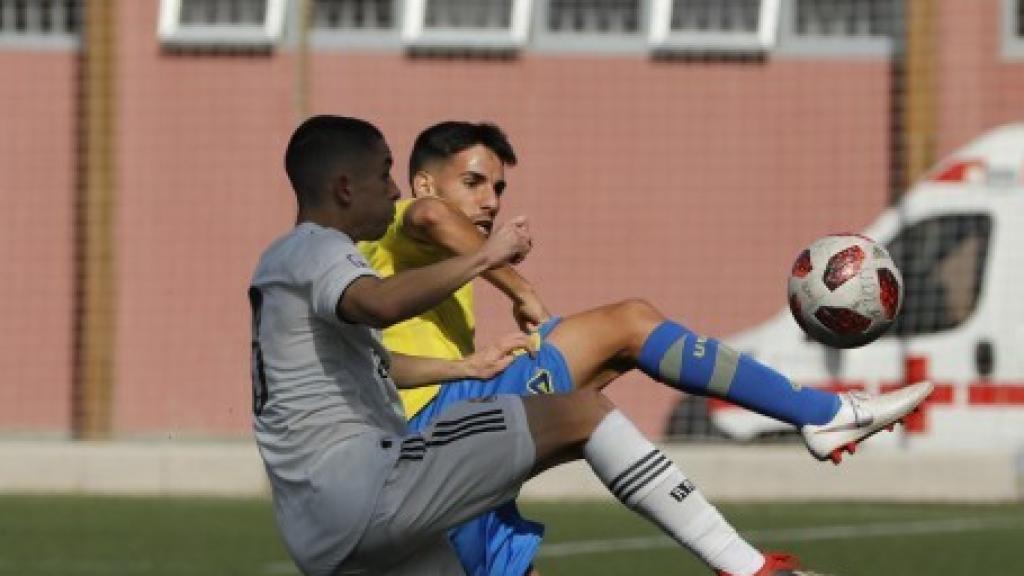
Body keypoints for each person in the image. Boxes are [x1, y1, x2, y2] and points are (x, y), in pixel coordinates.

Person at [250, 115, 827, 576]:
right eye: (383, 174)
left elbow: (373, 367)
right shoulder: (317, 248)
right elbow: (380, 299)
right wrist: (488, 255)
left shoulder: (288, 269)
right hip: (370, 490)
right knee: (582, 411)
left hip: (321, 532)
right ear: (345, 187)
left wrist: (464, 367)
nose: (393, 188)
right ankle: (747, 567)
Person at [358, 120, 934, 575]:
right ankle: (821, 419)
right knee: (628, 324)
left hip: (450, 442)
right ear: (425, 182)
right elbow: (433, 218)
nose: (490, 200)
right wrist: (519, 284)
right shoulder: (400, 220)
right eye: (474, 182)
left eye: (499, 188)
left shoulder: (435, 269)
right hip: (430, 424)